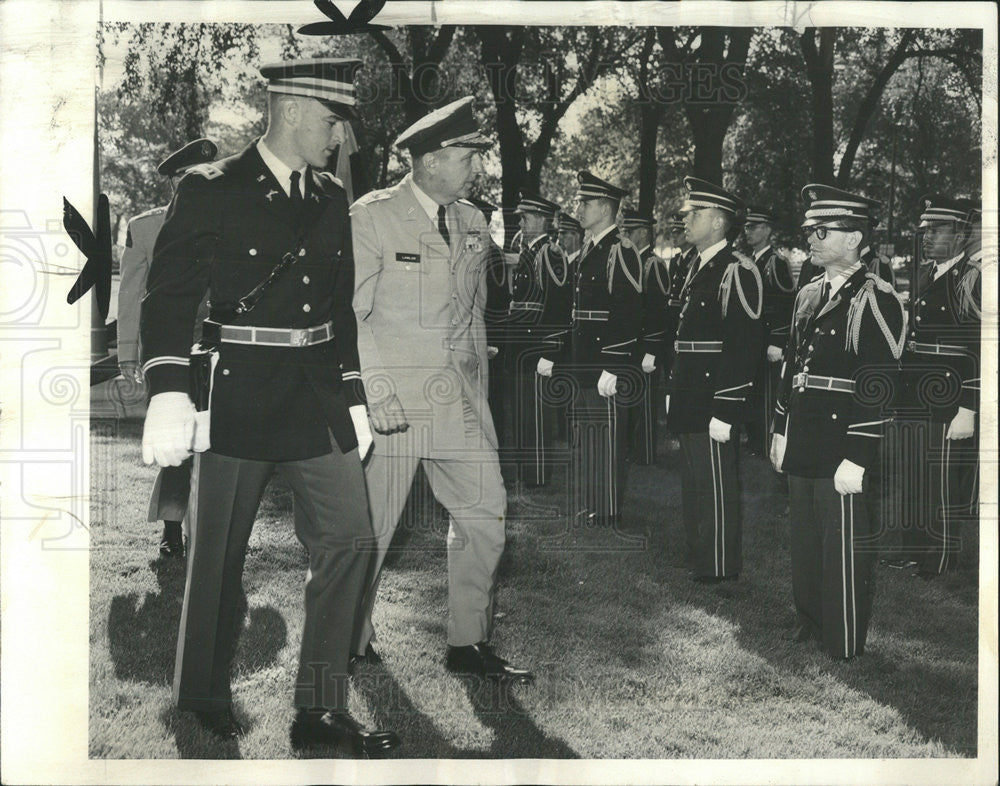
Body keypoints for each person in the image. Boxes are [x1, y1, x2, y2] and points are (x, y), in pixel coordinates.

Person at [139, 57, 399, 754]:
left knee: (351, 540)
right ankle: (200, 697)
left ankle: (319, 710)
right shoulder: (209, 187)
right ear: (290, 110)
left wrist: (354, 398)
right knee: (218, 556)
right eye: (331, 119)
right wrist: (168, 389)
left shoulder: (327, 196)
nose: (340, 135)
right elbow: (167, 298)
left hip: (315, 395)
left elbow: (338, 309)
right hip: (240, 392)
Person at [350, 96, 533, 684]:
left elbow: (473, 312)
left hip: (458, 401)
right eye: (466, 157)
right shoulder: (372, 216)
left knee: (486, 512)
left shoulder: (474, 221)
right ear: (429, 161)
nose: (476, 169)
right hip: (394, 404)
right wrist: (374, 389)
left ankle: (467, 641)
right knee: (370, 530)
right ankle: (349, 637)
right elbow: (351, 314)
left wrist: (480, 387)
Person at [771, 184, 906, 659]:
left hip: (842, 438)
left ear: (853, 239)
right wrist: (780, 427)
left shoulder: (876, 296)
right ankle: (809, 619)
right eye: (810, 230)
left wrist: (859, 454)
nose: (811, 238)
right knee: (805, 536)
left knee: (842, 542)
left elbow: (878, 383)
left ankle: (842, 636)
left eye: (821, 231)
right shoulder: (808, 292)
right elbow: (792, 365)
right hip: (806, 431)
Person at [118, 137, 218, 558]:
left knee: (217, 442)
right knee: (179, 438)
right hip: (170, 352)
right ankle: (173, 529)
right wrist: (127, 353)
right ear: (174, 183)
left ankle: (211, 530)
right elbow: (130, 292)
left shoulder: (231, 218)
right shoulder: (144, 227)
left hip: (219, 347)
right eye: (188, 179)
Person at [667, 177, 762, 582]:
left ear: (720, 222)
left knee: (715, 482)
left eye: (695, 214)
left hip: (712, 396)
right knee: (694, 480)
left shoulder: (736, 270)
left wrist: (726, 407)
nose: (685, 219)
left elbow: (743, 346)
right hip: (690, 390)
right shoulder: (696, 265)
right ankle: (699, 554)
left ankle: (719, 563)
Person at [537, 171, 643, 528]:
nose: (578, 208)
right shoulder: (590, 249)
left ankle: (609, 507)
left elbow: (628, 311)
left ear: (605, 207)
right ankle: (595, 502)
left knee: (608, 437)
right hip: (585, 359)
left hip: (606, 362)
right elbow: (575, 312)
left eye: (585, 202)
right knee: (588, 434)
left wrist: (614, 365)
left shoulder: (620, 250)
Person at [890, 195, 981, 576]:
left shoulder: (973, 278)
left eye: (937, 229)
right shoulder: (931, 273)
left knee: (941, 479)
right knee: (914, 473)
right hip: (917, 391)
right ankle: (911, 547)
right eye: (925, 229)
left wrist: (968, 406)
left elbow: (981, 345)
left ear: (961, 233)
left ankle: (939, 558)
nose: (926, 236)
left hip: (948, 394)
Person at [497, 192, 567, 487]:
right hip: (521, 345)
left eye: (526, 218)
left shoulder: (549, 253)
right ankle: (527, 471)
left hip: (537, 346)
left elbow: (559, 305)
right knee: (523, 412)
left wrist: (551, 351)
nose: (521, 223)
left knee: (536, 414)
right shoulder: (528, 252)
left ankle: (537, 475)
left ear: (540, 220)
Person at [743, 206, 796, 456]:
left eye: (754, 227)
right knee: (752, 392)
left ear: (767, 231)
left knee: (766, 394)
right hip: (752, 340)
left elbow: (785, 305)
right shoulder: (750, 261)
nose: (748, 231)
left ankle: (764, 444)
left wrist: (777, 340)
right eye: (746, 226)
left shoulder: (775, 263)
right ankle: (754, 440)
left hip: (767, 341)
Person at [624, 208, 667, 465]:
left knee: (646, 402)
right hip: (631, 343)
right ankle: (632, 447)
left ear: (643, 233)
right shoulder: (630, 261)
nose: (625, 235)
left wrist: (652, 349)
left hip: (645, 345)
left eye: (629, 231)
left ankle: (646, 452)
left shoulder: (653, 264)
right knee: (630, 400)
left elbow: (658, 310)